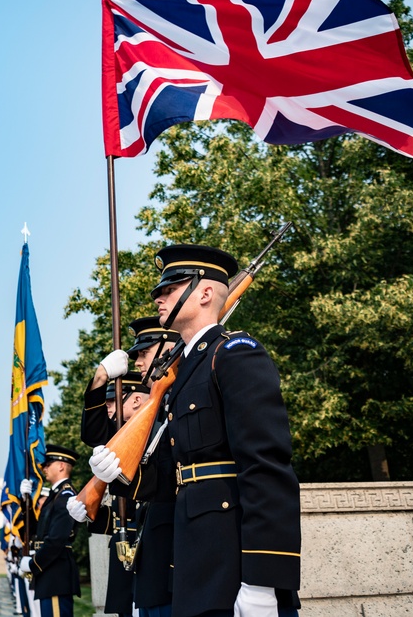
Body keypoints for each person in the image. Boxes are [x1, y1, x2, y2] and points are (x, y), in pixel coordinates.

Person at [96, 244, 301, 617]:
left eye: (168, 289)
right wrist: (121, 476)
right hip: (193, 568)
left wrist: (262, 582)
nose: (157, 298)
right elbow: (177, 477)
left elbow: (267, 470)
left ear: (205, 293)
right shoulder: (183, 374)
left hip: (236, 569)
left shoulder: (234, 353)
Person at [82, 316, 180, 617]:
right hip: (149, 553)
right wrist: (100, 378)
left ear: (137, 400)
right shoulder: (149, 420)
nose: (137, 361)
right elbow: (95, 434)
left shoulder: (169, 410)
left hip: (169, 552)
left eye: (143, 353)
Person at [78, 371, 149, 617]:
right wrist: (91, 514)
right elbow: (92, 433)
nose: (107, 407)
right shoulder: (122, 437)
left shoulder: (153, 431)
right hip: (126, 547)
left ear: (137, 400)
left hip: (150, 546)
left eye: (111, 401)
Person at [19, 445, 81, 617]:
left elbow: (55, 541)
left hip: (56, 574)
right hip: (50, 573)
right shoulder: (55, 496)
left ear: (61, 466)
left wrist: (33, 564)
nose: (44, 468)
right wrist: (25, 503)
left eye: (48, 464)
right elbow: (38, 530)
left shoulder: (66, 497)